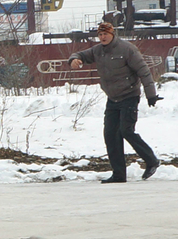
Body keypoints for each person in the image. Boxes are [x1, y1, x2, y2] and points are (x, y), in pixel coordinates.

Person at [69, 21, 161, 183]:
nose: (103, 37)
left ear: (113, 34)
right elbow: (80, 55)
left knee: (126, 130)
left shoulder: (127, 49)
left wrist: (150, 94)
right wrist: (74, 60)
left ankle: (152, 160)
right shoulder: (98, 51)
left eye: (106, 34)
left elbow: (144, 71)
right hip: (113, 98)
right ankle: (119, 174)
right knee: (110, 134)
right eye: (100, 34)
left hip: (129, 96)